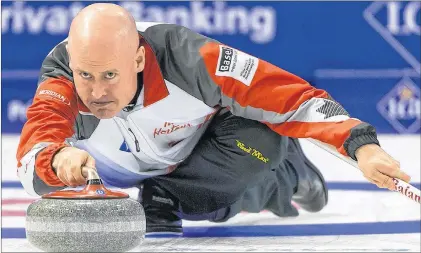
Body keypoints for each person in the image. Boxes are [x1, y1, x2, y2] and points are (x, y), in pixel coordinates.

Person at [16, 3, 411, 235]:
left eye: (110, 75)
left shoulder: (191, 57)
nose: (97, 93)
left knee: (261, 137)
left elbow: (296, 99)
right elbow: (31, 157)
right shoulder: (63, 73)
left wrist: (363, 146)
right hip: (122, 165)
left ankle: (288, 175)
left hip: (204, 152)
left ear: (138, 59)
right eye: (86, 75)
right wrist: (55, 159)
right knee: (43, 183)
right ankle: (166, 191)